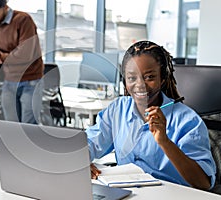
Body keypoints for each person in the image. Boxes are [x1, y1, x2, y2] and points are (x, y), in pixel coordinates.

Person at [87, 41, 216, 190]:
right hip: (129, 193)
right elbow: (91, 142)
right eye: (132, 78)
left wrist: (165, 142)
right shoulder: (118, 109)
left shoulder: (188, 120)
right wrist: (80, 161)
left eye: (149, 77)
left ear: (162, 79)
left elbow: (203, 183)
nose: (140, 84)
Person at [0, 0, 44, 123]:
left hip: (30, 80)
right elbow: (0, 49)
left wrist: (0, 56)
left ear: (5, 7)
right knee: (11, 126)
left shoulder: (23, 20)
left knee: (29, 128)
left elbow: (25, 55)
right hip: (9, 80)